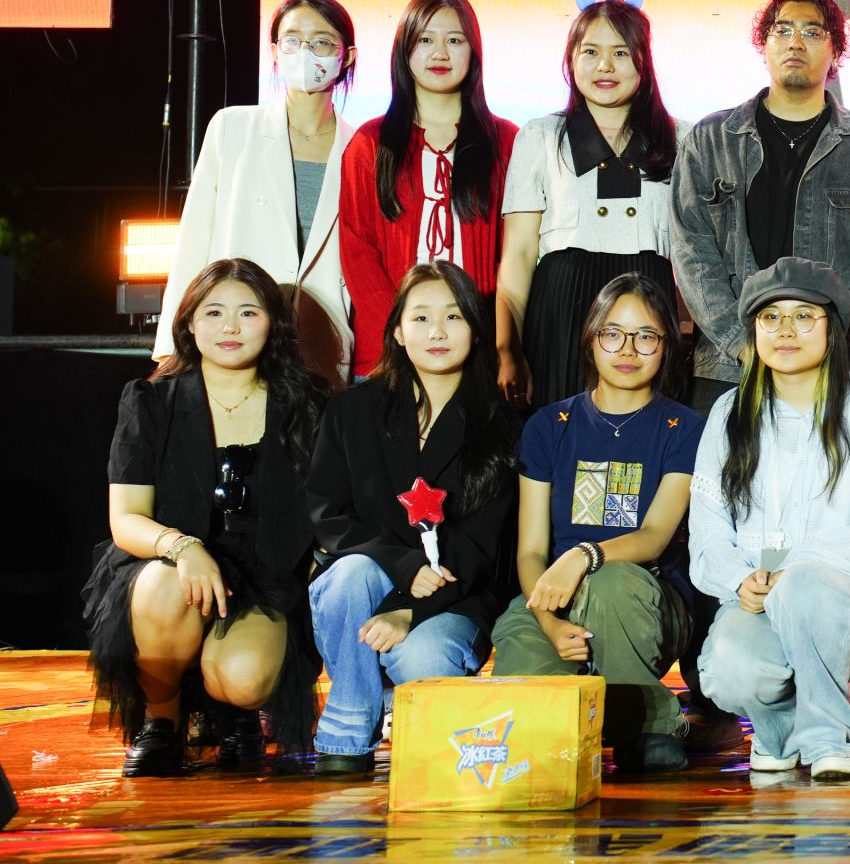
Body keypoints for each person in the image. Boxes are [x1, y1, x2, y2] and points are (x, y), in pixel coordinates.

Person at [84, 259, 324, 775]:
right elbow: (126, 519)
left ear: (274, 323)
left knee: (243, 679)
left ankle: (237, 716)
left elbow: (328, 514)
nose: (230, 327)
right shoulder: (151, 401)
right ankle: (163, 721)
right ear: (189, 323)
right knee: (163, 585)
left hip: (266, 574)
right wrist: (183, 547)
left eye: (248, 312)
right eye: (214, 312)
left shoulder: (309, 403)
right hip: (172, 566)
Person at [690, 258, 850, 779]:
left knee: (807, 585)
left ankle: (829, 738)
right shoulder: (729, 414)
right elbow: (708, 534)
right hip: (759, 601)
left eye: (804, 316)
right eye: (770, 318)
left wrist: (797, 565)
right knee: (727, 670)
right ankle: (778, 732)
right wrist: (740, 579)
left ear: (832, 329)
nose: (785, 330)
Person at [305, 262, 521, 774]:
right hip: (368, 583)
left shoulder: (506, 424)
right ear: (398, 331)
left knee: (422, 659)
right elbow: (328, 514)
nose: (437, 332)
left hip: (458, 594)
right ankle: (347, 727)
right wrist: (402, 567)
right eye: (421, 318)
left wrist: (411, 611)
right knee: (350, 574)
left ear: (476, 330)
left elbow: (484, 544)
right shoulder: (351, 412)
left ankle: (398, 700)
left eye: (454, 317)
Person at [492, 273, 705, 774]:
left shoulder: (684, 428)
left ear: (666, 346)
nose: (627, 349)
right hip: (555, 597)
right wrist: (549, 622)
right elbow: (530, 550)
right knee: (531, 713)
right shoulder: (549, 425)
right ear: (591, 340)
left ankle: (650, 724)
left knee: (613, 583)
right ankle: (585, 719)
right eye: (613, 333)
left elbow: (654, 537)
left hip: (645, 594)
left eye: (646, 336)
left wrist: (584, 556)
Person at [671, 0, 850, 413]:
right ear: (764, 46)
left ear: (836, 52)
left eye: (813, 32)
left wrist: (819, 340)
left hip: (831, 369)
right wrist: (742, 343)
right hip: (728, 368)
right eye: (783, 30)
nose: (796, 42)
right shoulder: (710, 140)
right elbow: (692, 252)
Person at [156, 0, 359, 384]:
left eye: (321, 42)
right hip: (235, 337)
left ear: (346, 56)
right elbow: (193, 241)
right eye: (293, 40)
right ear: (276, 51)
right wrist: (171, 346)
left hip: (322, 344)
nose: (305, 53)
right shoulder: (233, 128)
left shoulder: (361, 148)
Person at [497, 0, 684, 412]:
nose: (605, 66)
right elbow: (519, 253)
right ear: (571, 60)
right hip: (562, 309)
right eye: (591, 52)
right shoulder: (541, 136)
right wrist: (507, 347)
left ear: (644, 61)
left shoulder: (681, 139)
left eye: (621, 53)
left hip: (648, 307)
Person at [339, 0, 519, 382]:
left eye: (455, 40)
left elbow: (515, 255)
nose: (440, 53)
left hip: (481, 353)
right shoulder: (371, 144)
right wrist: (400, 333)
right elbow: (357, 250)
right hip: (389, 355)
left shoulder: (506, 142)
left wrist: (500, 344)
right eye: (425, 39)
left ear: (474, 53)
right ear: (404, 50)